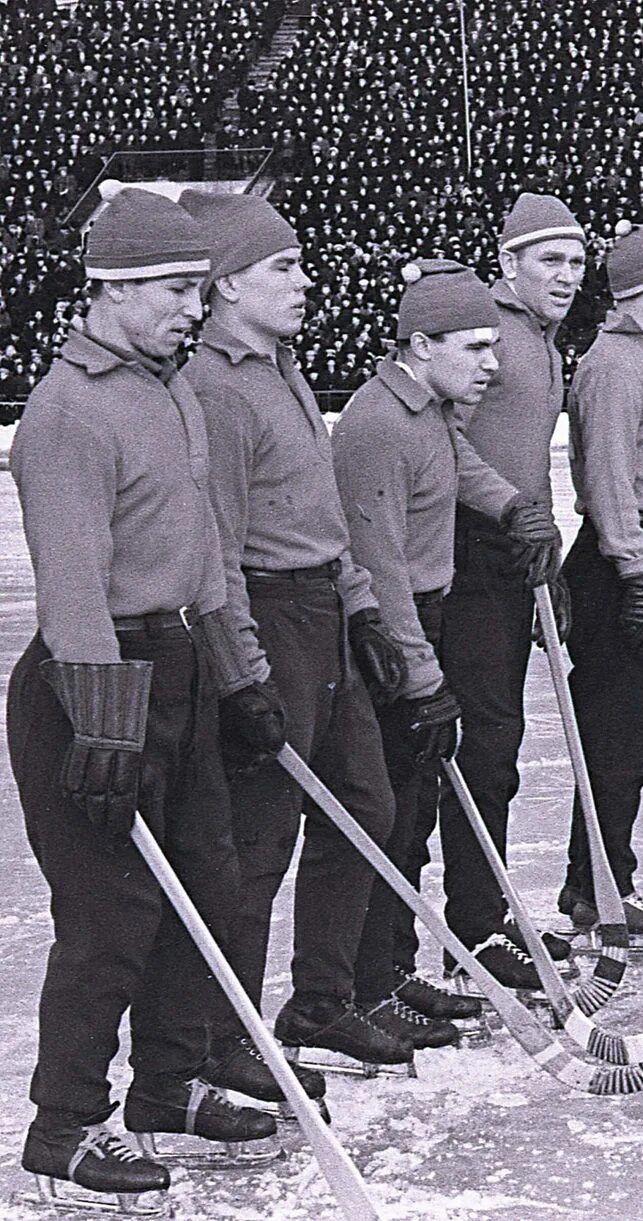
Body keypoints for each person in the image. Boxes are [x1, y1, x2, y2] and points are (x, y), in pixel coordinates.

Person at [7, 188, 282, 1204]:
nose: (192, 308)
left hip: (178, 668)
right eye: (174, 289)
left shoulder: (170, 390)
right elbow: (73, 585)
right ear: (113, 291)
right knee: (111, 914)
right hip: (90, 689)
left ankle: (170, 1085)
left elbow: (204, 554)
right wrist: (107, 729)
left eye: (196, 289)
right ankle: (66, 1124)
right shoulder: (66, 412)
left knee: (205, 886)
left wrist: (240, 674)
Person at [179, 189, 424, 1082]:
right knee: (258, 839)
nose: (305, 280)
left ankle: (321, 997)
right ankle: (218, 1031)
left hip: (323, 606)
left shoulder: (279, 367)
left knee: (365, 804)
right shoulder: (210, 387)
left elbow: (318, 511)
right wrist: (244, 672)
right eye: (284, 267)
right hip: (270, 617)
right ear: (227, 283)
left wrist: (359, 604)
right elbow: (222, 549)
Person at [332, 260, 523, 1051]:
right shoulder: (376, 425)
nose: (492, 363)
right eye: (476, 346)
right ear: (420, 344)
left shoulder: (431, 409)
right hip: (393, 635)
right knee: (389, 815)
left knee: (412, 810)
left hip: (431, 617)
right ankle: (361, 983)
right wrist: (423, 678)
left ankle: (390, 967)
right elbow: (380, 566)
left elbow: (460, 466)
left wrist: (515, 507)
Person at [434, 193, 579, 985]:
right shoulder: (488, 335)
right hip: (466, 553)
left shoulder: (543, 342)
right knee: (481, 747)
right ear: (507, 262)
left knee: (499, 746)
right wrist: (509, 509)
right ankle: (475, 927)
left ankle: (483, 914)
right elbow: (445, 443)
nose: (566, 276)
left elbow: (532, 462)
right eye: (548, 260)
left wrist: (545, 555)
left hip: (513, 553)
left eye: (576, 261)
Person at [555, 221, 643, 943]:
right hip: (624, 554)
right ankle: (602, 885)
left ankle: (599, 880)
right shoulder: (612, 364)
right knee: (616, 731)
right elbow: (607, 477)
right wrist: (636, 567)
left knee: (633, 736)